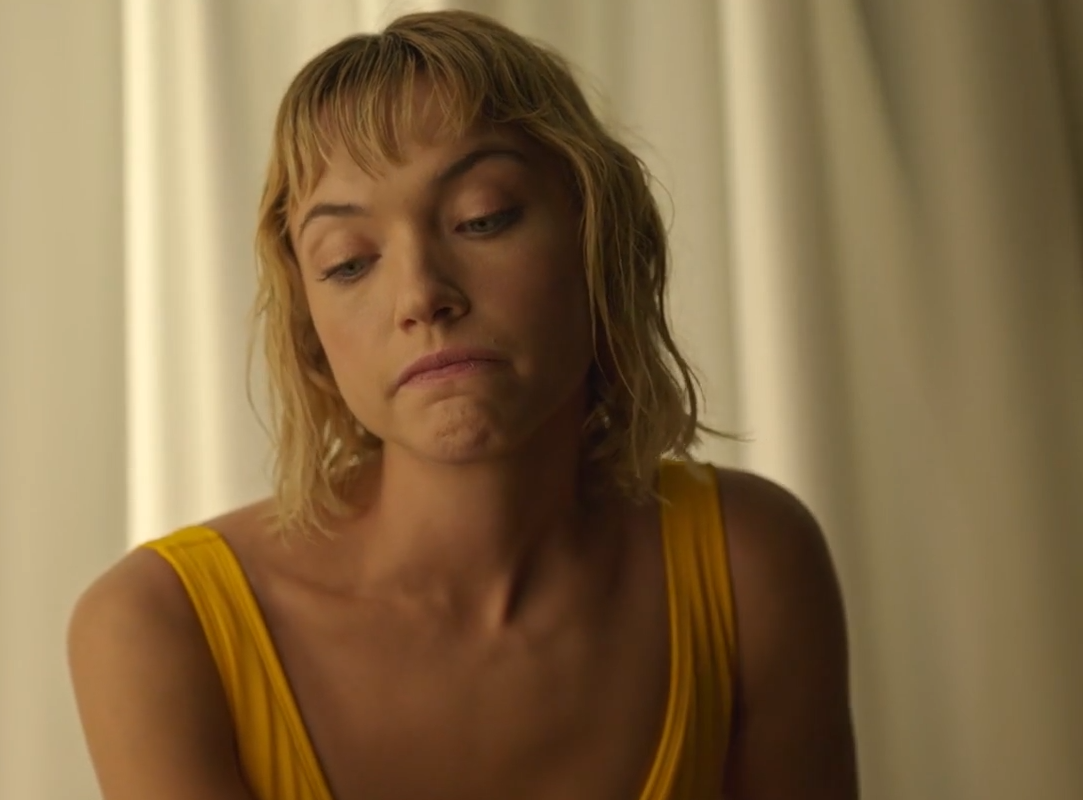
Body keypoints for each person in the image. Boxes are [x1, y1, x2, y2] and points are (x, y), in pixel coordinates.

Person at [68, 9, 858, 800]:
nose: (421, 296)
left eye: (483, 218)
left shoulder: (750, 566)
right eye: (348, 263)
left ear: (600, 236)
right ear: (309, 327)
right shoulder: (159, 628)